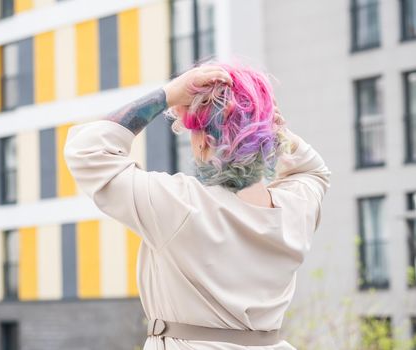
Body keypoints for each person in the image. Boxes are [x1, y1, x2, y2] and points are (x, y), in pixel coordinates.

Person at [64, 61, 332, 350]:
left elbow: (86, 150)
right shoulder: (295, 210)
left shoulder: (181, 205)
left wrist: (167, 94)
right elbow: (313, 171)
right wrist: (266, 125)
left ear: (205, 142)